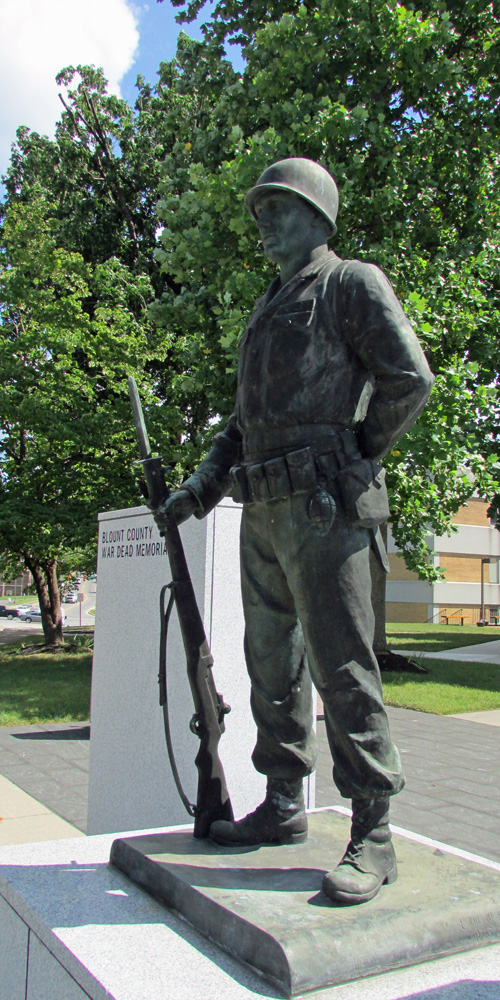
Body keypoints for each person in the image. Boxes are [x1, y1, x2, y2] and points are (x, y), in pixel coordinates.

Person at [152, 158, 434, 905]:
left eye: (276, 207)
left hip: (324, 509)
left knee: (342, 667)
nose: (264, 223)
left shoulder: (350, 283)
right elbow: (245, 420)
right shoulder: (267, 305)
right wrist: (199, 489)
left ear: (317, 215)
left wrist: (356, 455)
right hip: (265, 513)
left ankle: (372, 829)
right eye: (260, 211)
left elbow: (410, 378)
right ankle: (282, 805)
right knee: (271, 665)